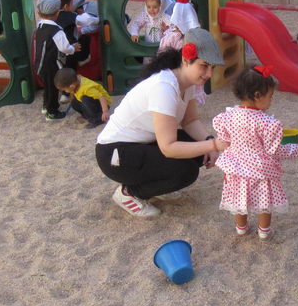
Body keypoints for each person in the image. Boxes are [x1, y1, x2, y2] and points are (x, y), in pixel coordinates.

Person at [95, 27, 224, 217]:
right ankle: (129, 193)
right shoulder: (164, 87)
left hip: (139, 145)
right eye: (204, 66)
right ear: (186, 59)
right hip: (115, 154)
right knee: (185, 171)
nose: (209, 73)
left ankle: (154, 186)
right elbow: (168, 148)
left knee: (197, 148)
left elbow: (190, 121)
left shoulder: (186, 82)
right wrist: (212, 144)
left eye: (212, 67)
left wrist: (209, 142)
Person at [211, 65, 298, 240]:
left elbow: (224, 140)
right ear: (258, 96)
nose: (271, 101)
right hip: (260, 171)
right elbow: (274, 151)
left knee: (238, 201)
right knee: (264, 203)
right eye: (270, 96)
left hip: (235, 169)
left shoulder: (227, 116)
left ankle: (241, 228)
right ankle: (264, 231)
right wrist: (294, 150)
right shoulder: (267, 123)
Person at [33, 0, 79, 121]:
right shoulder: (56, 30)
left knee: (47, 87)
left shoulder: (40, 26)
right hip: (51, 65)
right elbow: (64, 48)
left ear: (39, 13)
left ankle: (45, 106)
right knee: (53, 88)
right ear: (57, 13)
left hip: (39, 63)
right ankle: (52, 112)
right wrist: (73, 48)